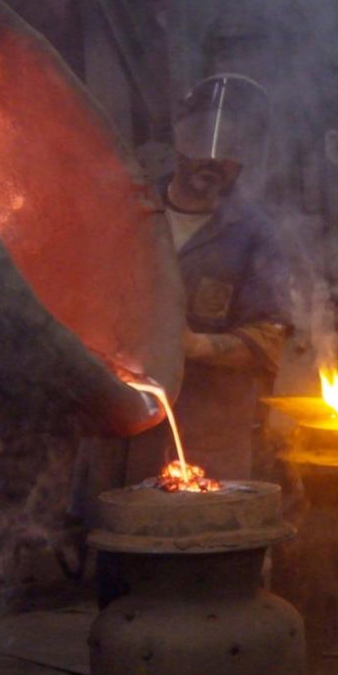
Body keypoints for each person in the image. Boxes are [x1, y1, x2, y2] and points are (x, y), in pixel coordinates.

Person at [126, 73, 291, 482]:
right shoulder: (131, 212)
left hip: (210, 435)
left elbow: (269, 340)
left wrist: (195, 346)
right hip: (124, 430)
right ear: (180, 142)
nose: (214, 158)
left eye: (233, 148)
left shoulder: (256, 236)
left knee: (205, 538)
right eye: (202, 141)